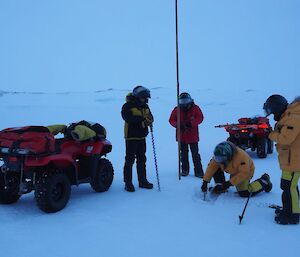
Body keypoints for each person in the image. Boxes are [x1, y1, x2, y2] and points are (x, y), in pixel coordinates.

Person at [263, 95, 300, 225]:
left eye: (273, 112)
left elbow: (285, 138)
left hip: (295, 161)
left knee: (291, 187)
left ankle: (293, 215)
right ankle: (288, 210)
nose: (273, 115)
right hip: (289, 160)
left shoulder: (293, 118)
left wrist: (269, 134)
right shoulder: (288, 116)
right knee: (286, 186)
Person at [201, 141, 272, 197]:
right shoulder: (220, 155)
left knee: (244, 193)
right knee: (215, 168)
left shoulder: (241, 157)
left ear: (228, 155)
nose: (219, 160)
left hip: (245, 172)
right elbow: (211, 167)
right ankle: (221, 186)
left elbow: (244, 173)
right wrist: (205, 181)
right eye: (217, 158)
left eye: (221, 159)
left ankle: (264, 181)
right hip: (231, 168)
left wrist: (230, 183)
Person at [121, 85, 154, 192]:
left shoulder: (145, 106)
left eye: (146, 98)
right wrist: (143, 122)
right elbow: (129, 119)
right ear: (137, 96)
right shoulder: (127, 106)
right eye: (143, 97)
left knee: (142, 159)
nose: (145, 100)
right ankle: (128, 182)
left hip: (142, 137)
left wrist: (149, 121)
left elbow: (151, 116)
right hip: (131, 137)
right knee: (130, 160)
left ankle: (142, 181)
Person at [169, 92, 204, 177]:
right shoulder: (176, 109)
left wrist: (191, 123)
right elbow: (171, 120)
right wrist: (177, 124)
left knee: (195, 154)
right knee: (183, 154)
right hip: (181, 136)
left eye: (186, 100)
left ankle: (199, 171)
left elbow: (200, 118)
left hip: (192, 136)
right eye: (182, 101)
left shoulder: (195, 108)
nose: (184, 103)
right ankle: (185, 170)